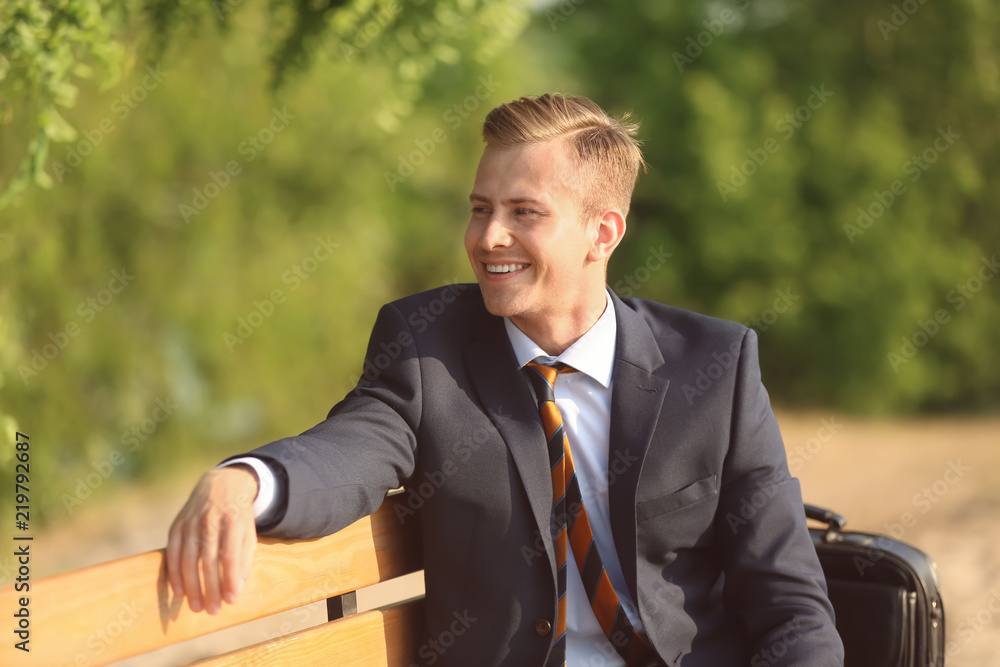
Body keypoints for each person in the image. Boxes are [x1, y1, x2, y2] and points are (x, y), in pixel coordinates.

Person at [167, 93, 844, 666]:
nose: (488, 237)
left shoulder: (715, 367)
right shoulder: (427, 347)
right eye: (480, 208)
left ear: (602, 232)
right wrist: (248, 479)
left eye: (524, 212)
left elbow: (789, 603)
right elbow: (347, 450)